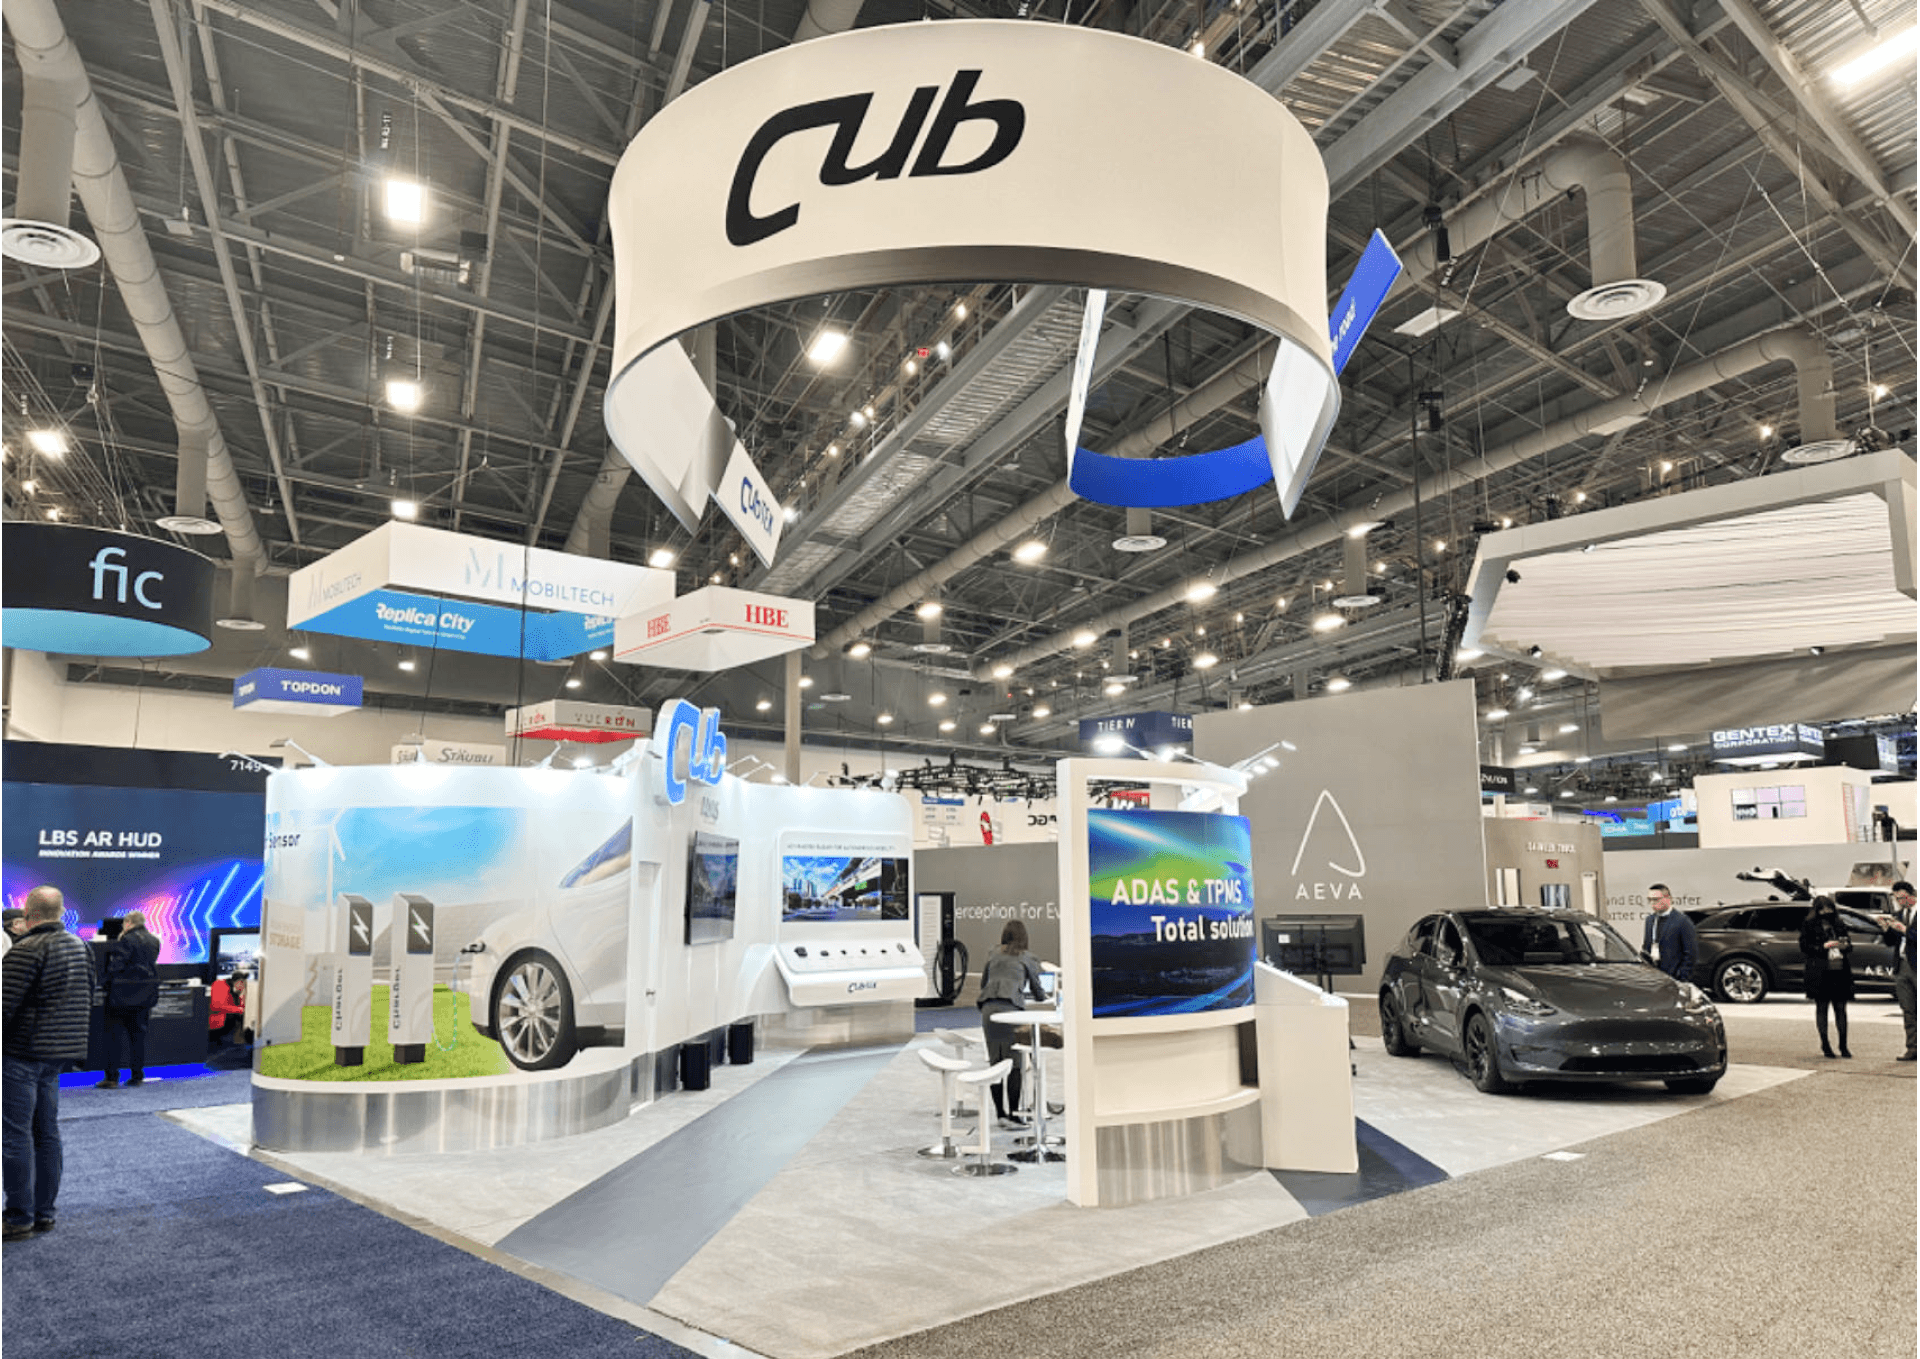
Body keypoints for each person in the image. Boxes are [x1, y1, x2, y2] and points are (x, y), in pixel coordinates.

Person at [1, 886, 96, 1241]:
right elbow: (89, 992)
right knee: (47, 1133)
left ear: (29, 914)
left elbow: (4, 1007)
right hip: (58, 1056)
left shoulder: (25, 951)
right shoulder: (80, 947)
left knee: (15, 1136)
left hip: (21, 1055)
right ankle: (44, 1213)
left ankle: (19, 1216)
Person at [975, 919, 1049, 1128]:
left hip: (988, 1010)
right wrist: (1041, 997)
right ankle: (1015, 1116)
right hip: (1011, 1010)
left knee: (995, 1062)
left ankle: (1000, 1115)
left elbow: (983, 983)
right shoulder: (1027, 957)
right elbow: (1037, 989)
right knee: (1015, 1063)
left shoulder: (993, 953)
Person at [98, 910, 161, 1088]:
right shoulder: (154, 940)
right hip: (145, 995)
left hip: (122, 996)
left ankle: (111, 1077)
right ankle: (137, 1075)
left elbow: (116, 966)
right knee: (138, 1037)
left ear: (128, 923)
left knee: (113, 1037)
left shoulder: (126, 940)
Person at [1799, 895, 1855, 1059]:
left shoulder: (1838, 923)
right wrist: (1823, 946)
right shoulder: (1809, 924)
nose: (1826, 913)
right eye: (1823, 910)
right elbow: (1804, 946)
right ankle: (1825, 1044)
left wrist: (1843, 945)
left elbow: (1849, 944)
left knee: (1841, 1009)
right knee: (1822, 1008)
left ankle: (1843, 1044)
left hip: (1839, 969)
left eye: (1829, 909)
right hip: (1820, 970)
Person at [1880, 881, 1917, 1062]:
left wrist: (1906, 930)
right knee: (1908, 1009)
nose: (1900, 901)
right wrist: (1887, 928)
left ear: (1912, 894)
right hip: (1902, 964)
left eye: (1902, 897)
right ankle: (1912, 1048)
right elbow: (1890, 942)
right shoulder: (1898, 915)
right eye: (1897, 898)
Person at [1641, 884, 1697, 983]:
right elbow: (1646, 946)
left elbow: (1690, 952)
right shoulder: (1650, 920)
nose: (1652, 903)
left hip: (1674, 976)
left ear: (1668, 899)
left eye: (1656, 899)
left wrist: (1682, 976)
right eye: (1649, 900)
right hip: (1653, 976)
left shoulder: (1682, 921)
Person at [208, 972, 248, 1048]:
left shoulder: (233, 989)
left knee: (242, 1017)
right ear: (237, 981)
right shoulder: (220, 985)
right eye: (242, 983)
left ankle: (242, 1043)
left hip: (226, 1016)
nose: (243, 986)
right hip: (218, 1017)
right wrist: (238, 1009)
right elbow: (217, 1006)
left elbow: (237, 1004)